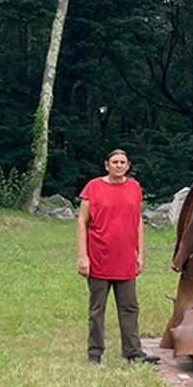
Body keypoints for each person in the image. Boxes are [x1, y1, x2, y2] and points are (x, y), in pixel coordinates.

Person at [76, 148, 160, 365]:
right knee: (97, 309)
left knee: (130, 306)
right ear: (107, 165)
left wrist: (141, 253)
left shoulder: (133, 187)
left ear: (128, 166)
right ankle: (94, 353)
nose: (119, 165)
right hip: (99, 257)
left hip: (125, 259)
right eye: (115, 162)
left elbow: (138, 221)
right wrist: (82, 256)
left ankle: (132, 351)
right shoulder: (93, 188)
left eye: (123, 162)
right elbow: (82, 222)